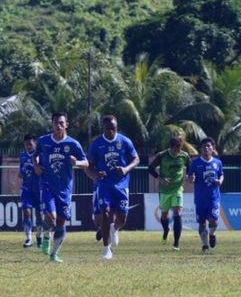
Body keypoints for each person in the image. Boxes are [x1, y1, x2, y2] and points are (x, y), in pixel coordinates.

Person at [33, 112, 88, 263]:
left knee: (61, 222)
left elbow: (86, 163)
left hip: (65, 188)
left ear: (66, 125)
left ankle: (54, 253)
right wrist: (36, 166)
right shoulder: (43, 141)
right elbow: (34, 155)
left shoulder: (73, 144)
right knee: (51, 218)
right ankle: (45, 236)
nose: (59, 126)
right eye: (56, 123)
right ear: (52, 124)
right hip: (47, 185)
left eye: (61, 123)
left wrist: (76, 162)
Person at [86, 115, 139, 260]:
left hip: (121, 185)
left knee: (122, 218)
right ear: (103, 128)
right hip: (103, 185)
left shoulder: (124, 141)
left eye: (113, 129)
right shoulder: (96, 144)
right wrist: (96, 174)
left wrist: (126, 169)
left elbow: (136, 159)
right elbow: (88, 167)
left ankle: (114, 229)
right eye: (108, 129)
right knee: (106, 214)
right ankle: (106, 249)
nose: (110, 131)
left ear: (117, 128)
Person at [148, 137, 190, 251]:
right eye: (176, 148)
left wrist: (188, 175)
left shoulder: (184, 155)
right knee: (164, 215)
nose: (178, 151)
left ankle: (176, 243)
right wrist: (160, 179)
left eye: (180, 148)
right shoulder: (162, 155)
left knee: (177, 212)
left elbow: (190, 167)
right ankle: (166, 230)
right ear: (171, 147)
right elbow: (150, 168)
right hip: (164, 190)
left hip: (177, 189)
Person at [187, 137, 223, 254]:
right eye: (204, 146)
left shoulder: (218, 163)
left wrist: (220, 181)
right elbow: (189, 177)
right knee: (202, 222)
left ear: (213, 148)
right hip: (200, 198)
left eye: (208, 146)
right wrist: (191, 179)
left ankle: (212, 234)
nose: (206, 148)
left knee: (213, 220)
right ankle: (205, 245)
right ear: (200, 149)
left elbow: (221, 174)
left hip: (213, 197)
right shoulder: (195, 163)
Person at [19, 134, 44, 248]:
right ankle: (28, 238)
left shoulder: (40, 156)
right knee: (26, 212)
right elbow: (21, 171)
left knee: (39, 215)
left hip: (38, 189)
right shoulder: (23, 156)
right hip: (26, 189)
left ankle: (39, 236)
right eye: (26, 144)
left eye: (30, 144)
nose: (28, 146)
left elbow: (42, 170)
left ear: (35, 144)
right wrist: (21, 172)